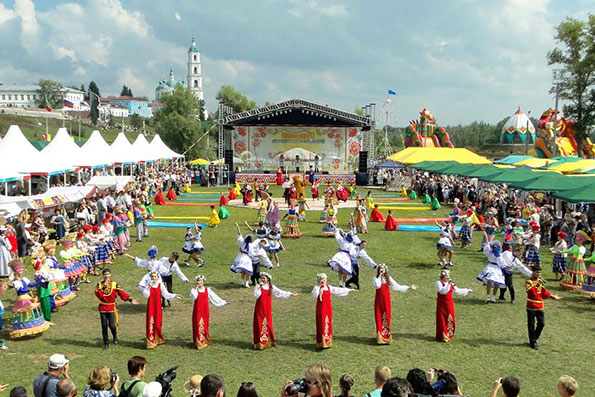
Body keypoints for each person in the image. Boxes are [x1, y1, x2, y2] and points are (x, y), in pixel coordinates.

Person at [373, 264, 418, 344]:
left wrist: (409, 287)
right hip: (379, 301)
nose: (382, 270)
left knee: (387, 316)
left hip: (386, 301)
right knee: (379, 316)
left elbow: (397, 286)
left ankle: (386, 336)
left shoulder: (388, 279)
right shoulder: (376, 278)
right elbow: (377, 285)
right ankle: (380, 337)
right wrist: (379, 276)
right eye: (381, 269)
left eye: (383, 269)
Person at [95, 268, 139, 349]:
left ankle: (115, 336)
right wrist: (104, 288)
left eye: (108, 274)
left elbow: (121, 293)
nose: (106, 276)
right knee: (104, 326)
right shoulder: (99, 285)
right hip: (103, 307)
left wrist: (130, 299)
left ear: (110, 275)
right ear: (103, 275)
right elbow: (99, 295)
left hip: (111, 307)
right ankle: (106, 343)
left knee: (111, 325)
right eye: (105, 274)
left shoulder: (115, 284)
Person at [253, 272, 297, 350]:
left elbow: (280, 293)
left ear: (268, 279)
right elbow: (256, 295)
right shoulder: (258, 286)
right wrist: (259, 287)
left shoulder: (271, 287)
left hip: (267, 308)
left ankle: (269, 341)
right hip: (260, 308)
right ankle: (260, 343)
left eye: (264, 278)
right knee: (260, 323)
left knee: (268, 324)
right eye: (261, 278)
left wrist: (290, 294)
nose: (262, 280)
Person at [312, 273, 355, 348]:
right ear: (318, 280)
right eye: (321, 279)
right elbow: (315, 295)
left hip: (328, 308)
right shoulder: (317, 288)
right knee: (321, 323)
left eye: (324, 279)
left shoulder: (329, 287)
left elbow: (338, 290)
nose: (322, 280)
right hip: (321, 309)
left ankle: (328, 341)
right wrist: (320, 288)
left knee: (328, 322)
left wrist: (349, 290)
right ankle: (322, 342)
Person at [142, 271, 182, 349]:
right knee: (150, 323)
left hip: (157, 307)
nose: (154, 278)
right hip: (151, 307)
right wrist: (148, 287)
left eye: (155, 277)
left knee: (157, 323)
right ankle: (150, 341)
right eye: (152, 277)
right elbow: (146, 295)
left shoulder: (160, 285)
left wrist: (175, 296)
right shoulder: (148, 286)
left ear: (158, 277)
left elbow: (166, 294)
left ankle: (158, 338)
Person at [525, 265, 561, 350]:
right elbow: (531, 293)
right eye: (537, 272)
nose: (538, 274)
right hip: (531, 306)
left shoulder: (539, 282)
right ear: (533, 272)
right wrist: (538, 284)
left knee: (542, 323)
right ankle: (533, 342)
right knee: (531, 325)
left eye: (539, 273)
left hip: (540, 306)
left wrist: (552, 296)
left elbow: (543, 292)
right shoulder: (528, 282)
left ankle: (534, 339)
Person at [190, 275, 229, 349]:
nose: (200, 282)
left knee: (205, 325)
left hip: (205, 310)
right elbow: (194, 297)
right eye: (198, 281)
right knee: (198, 325)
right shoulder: (194, 291)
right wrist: (196, 289)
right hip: (198, 311)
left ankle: (205, 340)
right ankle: (199, 342)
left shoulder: (207, 290)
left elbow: (214, 297)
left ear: (203, 281)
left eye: (201, 281)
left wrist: (223, 302)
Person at [435, 270, 472, 342]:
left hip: (449, 304)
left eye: (448, 277)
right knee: (442, 318)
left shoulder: (450, 284)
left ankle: (449, 334)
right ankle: (443, 335)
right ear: (442, 277)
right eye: (446, 277)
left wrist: (467, 290)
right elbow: (443, 292)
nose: (448, 278)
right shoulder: (438, 283)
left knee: (450, 318)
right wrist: (448, 284)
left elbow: (458, 291)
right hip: (442, 304)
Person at [477, 239, 506, 303]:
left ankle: (493, 297)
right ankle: (487, 297)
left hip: (497, 268)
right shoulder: (490, 252)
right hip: (490, 267)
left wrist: (498, 256)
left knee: (497, 282)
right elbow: (485, 250)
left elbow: (501, 263)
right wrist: (489, 244)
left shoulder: (500, 255)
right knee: (489, 282)